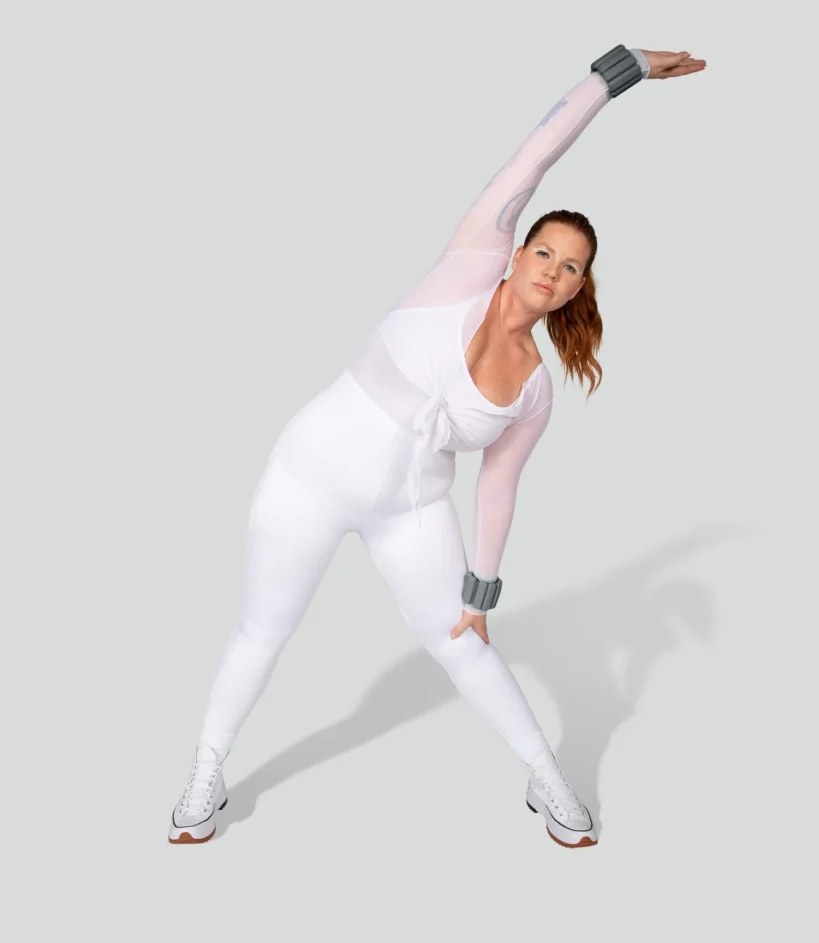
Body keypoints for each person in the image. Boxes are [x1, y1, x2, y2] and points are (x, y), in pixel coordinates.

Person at [168, 44, 706, 849]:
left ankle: (547, 778)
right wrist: (615, 72)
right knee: (263, 630)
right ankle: (205, 774)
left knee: (464, 646)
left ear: (575, 288)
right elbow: (534, 155)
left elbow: (496, 489)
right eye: (544, 252)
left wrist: (479, 595)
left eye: (570, 269)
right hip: (306, 478)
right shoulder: (467, 263)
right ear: (517, 252)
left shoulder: (534, 390)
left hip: (411, 511)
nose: (552, 271)